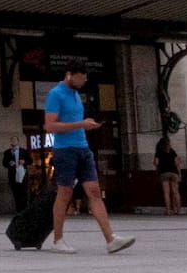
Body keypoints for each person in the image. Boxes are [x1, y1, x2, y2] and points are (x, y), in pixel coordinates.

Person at [42, 61, 132, 255]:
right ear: (69, 75)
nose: (84, 82)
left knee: (94, 191)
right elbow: (49, 126)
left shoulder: (75, 94)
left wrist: (85, 125)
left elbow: (74, 122)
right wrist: (81, 124)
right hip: (65, 149)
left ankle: (110, 239)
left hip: (83, 148)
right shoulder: (55, 95)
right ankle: (58, 240)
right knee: (64, 192)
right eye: (81, 78)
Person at [155, 136, 182, 215]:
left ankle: (168, 210)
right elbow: (177, 163)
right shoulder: (173, 151)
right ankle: (178, 210)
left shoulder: (158, 152)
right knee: (176, 192)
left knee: (166, 193)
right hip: (174, 173)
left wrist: (157, 170)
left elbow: (156, 163)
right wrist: (179, 174)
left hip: (164, 173)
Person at [2, 136, 29, 214]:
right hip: (13, 175)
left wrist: (24, 162)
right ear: (10, 142)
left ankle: (24, 210)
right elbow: (4, 163)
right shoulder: (7, 152)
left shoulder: (23, 151)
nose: (14, 142)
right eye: (12, 140)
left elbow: (30, 160)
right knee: (16, 194)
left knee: (23, 193)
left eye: (15, 140)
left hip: (22, 174)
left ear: (18, 142)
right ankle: (19, 211)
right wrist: (9, 163)